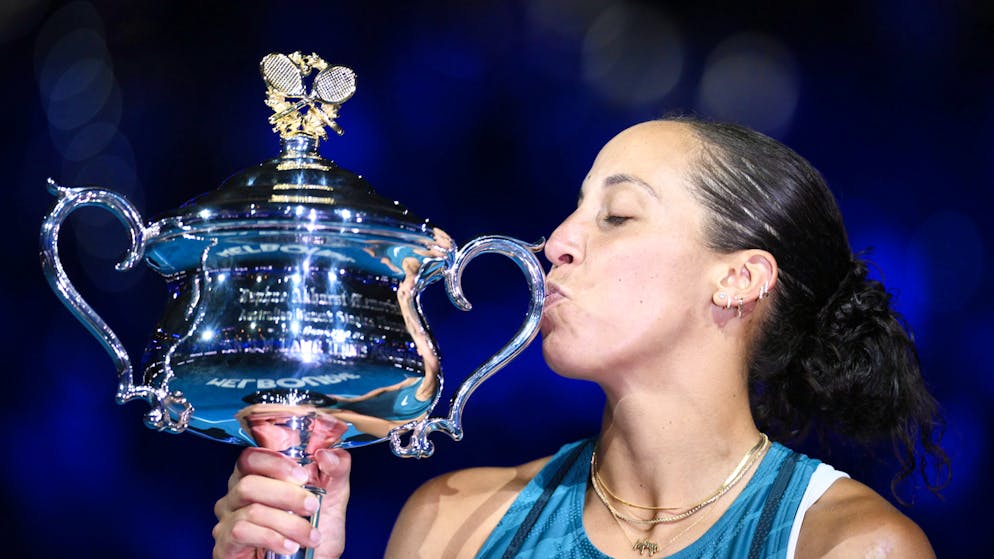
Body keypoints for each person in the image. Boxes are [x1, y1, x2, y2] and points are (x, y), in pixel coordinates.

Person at [212, 117, 947, 558]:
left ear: (739, 277)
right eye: (573, 210)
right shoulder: (451, 523)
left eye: (617, 214)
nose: (557, 240)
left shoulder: (846, 545)